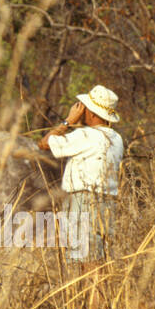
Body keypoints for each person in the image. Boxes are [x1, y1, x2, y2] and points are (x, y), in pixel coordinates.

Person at [36, 85, 123, 263]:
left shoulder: (85, 135)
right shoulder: (116, 138)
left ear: (91, 112)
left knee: (85, 261)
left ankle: (90, 292)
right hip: (108, 203)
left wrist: (68, 121)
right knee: (98, 260)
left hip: (84, 202)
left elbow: (44, 143)